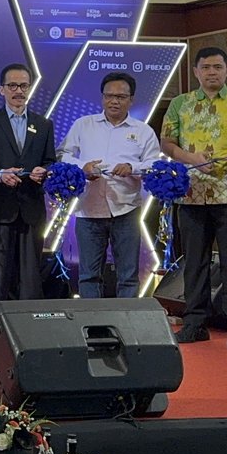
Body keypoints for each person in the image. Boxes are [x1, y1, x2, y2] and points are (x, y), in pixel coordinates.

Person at [161, 46, 227, 350]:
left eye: (218, 67)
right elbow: (167, 142)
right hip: (191, 194)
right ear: (196, 71)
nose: (212, 72)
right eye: (206, 67)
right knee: (194, 261)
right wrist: (190, 159)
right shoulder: (180, 104)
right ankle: (195, 323)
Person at [59, 71, 163, 299]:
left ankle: (127, 318)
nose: (114, 101)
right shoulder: (83, 125)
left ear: (131, 100)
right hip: (88, 210)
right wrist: (83, 167)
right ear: (102, 97)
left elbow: (154, 165)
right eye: (109, 96)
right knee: (88, 275)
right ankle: (91, 318)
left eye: (121, 97)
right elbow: (63, 155)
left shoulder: (143, 131)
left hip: (126, 210)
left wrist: (132, 167)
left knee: (128, 275)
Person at [0, 63, 56, 316]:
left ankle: (29, 324)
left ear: (30, 88)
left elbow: (50, 161)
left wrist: (44, 171)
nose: (18, 91)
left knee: (30, 274)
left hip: (32, 208)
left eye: (23, 85)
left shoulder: (44, 124)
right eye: (12, 85)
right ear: (2, 89)